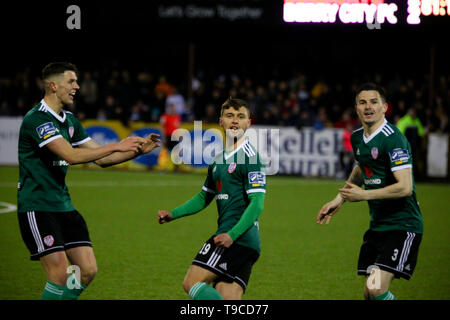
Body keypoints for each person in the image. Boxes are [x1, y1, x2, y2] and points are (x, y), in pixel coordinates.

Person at [17, 62, 160, 300]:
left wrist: (138, 152)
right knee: (60, 274)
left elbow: (103, 159)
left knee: (87, 271)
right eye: (71, 81)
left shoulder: (70, 121)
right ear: (53, 85)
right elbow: (71, 156)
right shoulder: (38, 120)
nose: (77, 86)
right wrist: (118, 144)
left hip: (64, 205)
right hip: (38, 206)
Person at [316, 83, 423, 300]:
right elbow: (362, 167)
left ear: (385, 107)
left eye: (374, 102)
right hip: (378, 227)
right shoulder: (358, 138)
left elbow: (405, 187)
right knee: (369, 292)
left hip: (402, 226)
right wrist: (340, 199)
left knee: (375, 289)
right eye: (363, 102)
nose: (368, 107)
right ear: (356, 108)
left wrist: (363, 195)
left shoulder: (394, 139)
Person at [157, 98, 266, 300]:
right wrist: (173, 214)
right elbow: (204, 196)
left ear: (248, 123)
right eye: (230, 116)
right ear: (221, 121)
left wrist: (231, 234)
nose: (235, 121)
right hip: (242, 243)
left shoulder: (250, 157)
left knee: (191, 282)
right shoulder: (218, 160)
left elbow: (257, 203)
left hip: (236, 238)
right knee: (226, 298)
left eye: (241, 116)